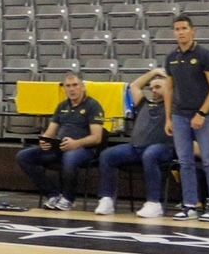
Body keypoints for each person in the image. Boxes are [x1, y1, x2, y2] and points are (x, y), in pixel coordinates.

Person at [164, 16, 209, 221]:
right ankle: (190, 204)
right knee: (185, 162)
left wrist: (201, 113)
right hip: (179, 115)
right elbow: (169, 88)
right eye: (177, 29)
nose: (180, 32)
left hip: (204, 115)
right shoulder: (171, 57)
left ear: (193, 31)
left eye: (184, 28)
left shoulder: (205, 55)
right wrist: (168, 118)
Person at [15, 73, 105, 209]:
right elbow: (50, 132)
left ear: (82, 87)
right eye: (68, 86)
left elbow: (97, 137)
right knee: (24, 156)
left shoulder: (93, 106)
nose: (71, 89)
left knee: (70, 157)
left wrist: (76, 143)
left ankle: (68, 199)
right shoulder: (62, 106)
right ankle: (53, 194)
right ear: (64, 89)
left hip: (84, 149)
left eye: (75, 85)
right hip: (61, 146)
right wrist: (45, 141)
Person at [104, 70, 175, 217]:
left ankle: (154, 203)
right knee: (107, 155)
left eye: (158, 87)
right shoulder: (143, 103)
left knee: (150, 154)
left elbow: (175, 89)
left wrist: (168, 79)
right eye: (152, 88)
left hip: (163, 149)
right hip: (136, 149)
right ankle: (107, 198)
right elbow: (134, 86)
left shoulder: (173, 107)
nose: (154, 90)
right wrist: (154, 72)